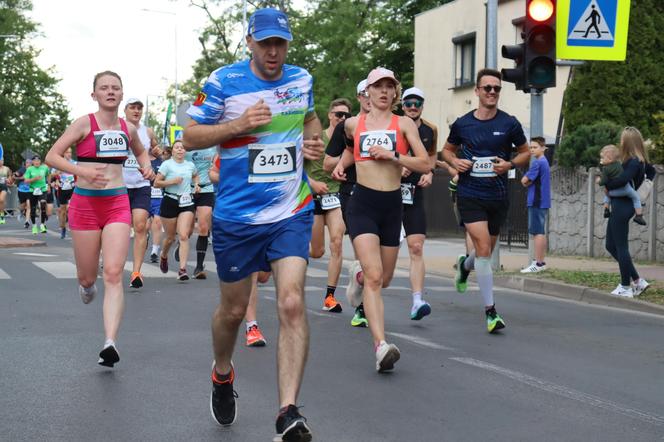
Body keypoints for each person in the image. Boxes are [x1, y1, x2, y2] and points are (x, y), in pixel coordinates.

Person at [183, 8, 324, 440]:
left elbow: (309, 117)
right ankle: (222, 373)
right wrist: (238, 125)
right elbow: (189, 136)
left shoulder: (300, 79)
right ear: (249, 43)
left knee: (292, 303)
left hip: (291, 210)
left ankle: (288, 412)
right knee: (231, 311)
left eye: (280, 43)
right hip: (237, 217)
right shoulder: (223, 82)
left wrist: (313, 139)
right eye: (265, 43)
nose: (274, 52)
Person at [45, 70, 154, 367]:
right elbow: (52, 156)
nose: (110, 92)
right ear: (94, 94)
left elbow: (143, 153)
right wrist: (81, 171)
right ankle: (86, 286)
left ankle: (110, 343)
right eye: (103, 88)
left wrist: (146, 168)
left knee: (115, 273)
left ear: (121, 94)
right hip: (85, 205)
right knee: (88, 277)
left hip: (117, 203)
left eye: (115, 88)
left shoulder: (127, 128)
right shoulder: (83, 124)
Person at [332, 67, 431, 372]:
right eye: (378, 87)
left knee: (383, 279)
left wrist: (395, 157)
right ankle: (380, 346)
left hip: (392, 206)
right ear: (368, 93)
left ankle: (357, 278)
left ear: (395, 92)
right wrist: (338, 166)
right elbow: (346, 150)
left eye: (390, 87)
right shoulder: (352, 124)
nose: (384, 92)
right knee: (376, 276)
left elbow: (426, 162)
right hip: (361, 205)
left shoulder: (403, 124)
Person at [442, 68, 530, 333]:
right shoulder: (463, 124)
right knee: (482, 248)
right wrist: (455, 161)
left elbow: (526, 153)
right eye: (487, 88)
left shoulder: (509, 123)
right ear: (477, 91)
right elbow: (447, 150)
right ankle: (491, 312)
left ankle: (463, 266)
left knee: (484, 253)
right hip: (470, 194)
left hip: (498, 196)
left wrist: (510, 164)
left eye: (497, 88)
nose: (492, 92)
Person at [323, 79, 371, 328]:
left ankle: (358, 277)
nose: (370, 96)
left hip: (388, 192)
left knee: (382, 263)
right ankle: (363, 310)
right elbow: (327, 164)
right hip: (353, 190)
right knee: (365, 252)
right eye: (364, 93)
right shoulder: (348, 128)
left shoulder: (395, 124)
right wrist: (349, 157)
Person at [209, 154, 267, 347]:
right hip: (238, 216)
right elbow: (213, 173)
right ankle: (252, 327)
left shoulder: (276, 141)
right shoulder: (233, 145)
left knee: (262, 276)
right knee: (251, 274)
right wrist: (232, 176)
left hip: (270, 215)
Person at [306, 97, 352, 313]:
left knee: (337, 242)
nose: (342, 118)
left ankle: (330, 296)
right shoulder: (318, 138)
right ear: (330, 116)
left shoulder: (351, 141)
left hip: (336, 197)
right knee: (316, 252)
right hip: (314, 197)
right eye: (338, 114)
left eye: (346, 115)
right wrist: (313, 183)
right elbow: (297, 167)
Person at [399, 87, 438, 320]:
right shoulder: (393, 125)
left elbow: (431, 157)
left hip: (413, 192)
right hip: (389, 191)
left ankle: (417, 300)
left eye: (417, 103)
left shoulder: (430, 129)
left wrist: (430, 173)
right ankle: (364, 300)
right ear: (402, 105)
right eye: (409, 103)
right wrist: (397, 166)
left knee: (416, 247)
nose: (413, 107)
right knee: (383, 253)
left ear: (422, 105)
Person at [603, 127, 656, 297]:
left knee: (620, 246)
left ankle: (625, 286)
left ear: (627, 142)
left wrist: (607, 186)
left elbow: (623, 179)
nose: (620, 142)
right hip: (620, 205)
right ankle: (638, 281)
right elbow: (652, 171)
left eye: (622, 139)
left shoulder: (633, 162)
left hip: (623, 206)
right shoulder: (639, 161)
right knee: (610, 245)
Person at [123, 98, 162, 289]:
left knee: (140, 227)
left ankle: (136, 272)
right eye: (133, 107)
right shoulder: (117, 127)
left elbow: (156, 150)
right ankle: (110, 260)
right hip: (119, 185)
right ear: (125, 110)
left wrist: (156, 152)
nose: (136, 111)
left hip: (141, 185)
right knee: (119, 229)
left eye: (139, 108)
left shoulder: (147, 131)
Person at [154, 141, 199, 281]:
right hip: (170, 201)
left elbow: (195, 175)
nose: (180, 150)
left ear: (185, 151)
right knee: (170, 238)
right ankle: (164, 255)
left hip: (186, 201)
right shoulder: (167, 165)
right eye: (177, 148)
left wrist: (196, 185)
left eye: (182, 148)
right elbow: (156, 182)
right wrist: (172, 181)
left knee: (184, 235)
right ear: (172, 151)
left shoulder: (190, 165)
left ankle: (182, 269)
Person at [185, 144, 217, 279]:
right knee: (187, 229)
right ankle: (179, 243)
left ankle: (198, 267)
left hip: (207, 189)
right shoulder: (188, 146)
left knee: (204, 227)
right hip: (189, 189)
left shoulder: (214, 147)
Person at [520, 137, 551, 273]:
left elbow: (524, 180)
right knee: (540, 232)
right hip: (542, 201)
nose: (532, 149)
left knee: (537, 232)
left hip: (536, 201)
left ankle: (538, 264)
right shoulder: (544, 162)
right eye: (531, 147)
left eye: (535, 147)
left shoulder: (538, 163)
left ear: (543, 148)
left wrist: (526, 181)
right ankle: (540, 262)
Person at [598, 144, 646, 226]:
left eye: (602, 158)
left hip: (613, 193)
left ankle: (606, 209)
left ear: (609, 158)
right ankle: (639, 215)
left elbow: (604, 181)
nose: (601, 160)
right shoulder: (620, 164)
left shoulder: (605, 169)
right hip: (626, 190)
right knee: (636, 197)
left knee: (607, 195)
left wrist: (599, 181)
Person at [53, 147, 77, 238]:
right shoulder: (58, 163)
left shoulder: (74, 163)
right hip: (62, 189)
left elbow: (78, 174)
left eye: (70, 152)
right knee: (63, 211)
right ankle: (63, 228)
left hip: (72, 188)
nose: (69, 154)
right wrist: (58, 173)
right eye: (67, 152)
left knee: (70, 207)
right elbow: (52, 174)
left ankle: (73, 227)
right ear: (63, 153)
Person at [23, 155, 50, 234]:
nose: (37, 162)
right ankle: (34, 226)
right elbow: (25, 181)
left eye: (38, 161)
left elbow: (48, 175)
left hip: (42, 189)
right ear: (32, 162)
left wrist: (48, 185)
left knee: (43, 204)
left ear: (40, 162)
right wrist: (34, 179)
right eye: (35, 161)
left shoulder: (44, 168)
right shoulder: (29, 169)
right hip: (33, 190)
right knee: (33, 209)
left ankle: (42, 224)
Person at [148, 147, 165, 263]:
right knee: (142, 226)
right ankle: (145, 235)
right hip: (143, 194)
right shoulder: (138, 158)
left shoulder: (161, 161)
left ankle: (154, 251)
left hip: (158, 196)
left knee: (158, 221)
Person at [14, 159, 32, 228]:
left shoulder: (33, 170)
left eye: (30, 163)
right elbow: (16, 175)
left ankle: (27, 221)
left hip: (30, 190)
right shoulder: (22, 169)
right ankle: (21, 212)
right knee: (22, 206)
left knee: (28, 205)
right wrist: (17, 175)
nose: (28, 164)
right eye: (27, 163)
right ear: (25, 164)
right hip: (21, 190)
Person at [0, 159, 12, 224]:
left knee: (1, 200)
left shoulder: (6, 168)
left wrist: (8, 180)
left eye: (2, 160)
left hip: (3, 186)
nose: (1, 162)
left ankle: (2, 215)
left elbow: (10, 177)